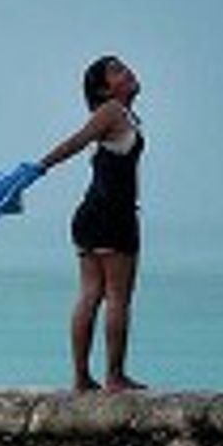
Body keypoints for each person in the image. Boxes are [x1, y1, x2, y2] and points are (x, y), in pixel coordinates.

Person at [38, 55, 147, 393]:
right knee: (117, 297)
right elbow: (78, 141)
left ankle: (82, 377)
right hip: (113, 215)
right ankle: (115, 376)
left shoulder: (122, 115)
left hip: (92, 215)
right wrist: (39, 166)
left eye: (124, 66)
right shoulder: (112, 111)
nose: (127, 71)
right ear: (103, 89)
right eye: (116, 71)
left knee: (90, 293)